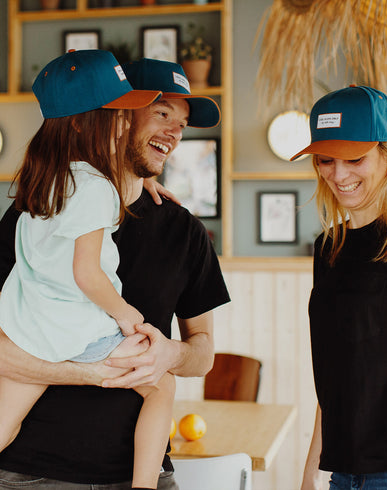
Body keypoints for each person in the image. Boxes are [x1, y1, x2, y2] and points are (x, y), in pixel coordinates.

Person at [0, 57, 229, 490]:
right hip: (31, 476)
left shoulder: (186, 232)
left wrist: (170, 355)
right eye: (161, 113)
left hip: (141, 473)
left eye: (181, 124)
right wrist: (98, 372)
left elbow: (203, 354)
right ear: (119, 114)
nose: (174, 133)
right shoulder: (30, 212)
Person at [290, 86, 387, 490]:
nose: (339, 174)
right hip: (343, 471)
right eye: (326, 160)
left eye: (355, 158)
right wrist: (312, 469)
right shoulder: (330, 247)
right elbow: (335, 374)